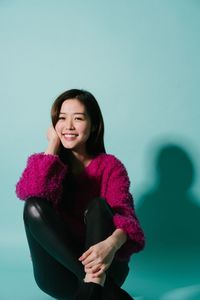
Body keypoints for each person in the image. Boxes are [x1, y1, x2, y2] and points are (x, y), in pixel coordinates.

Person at [15, 89, 145, 300]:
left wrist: (110, 245)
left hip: (106, 263)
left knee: (98, 206)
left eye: (78, 119)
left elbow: (127, 218)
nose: (69, 126)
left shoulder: (111, 166)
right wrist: (52, 145)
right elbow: (31, 193)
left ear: (93, 125)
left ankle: (93, 287)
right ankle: (101, 287)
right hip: (60, 273)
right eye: (62, 119)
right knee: (32, 205)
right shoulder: (51, 165)